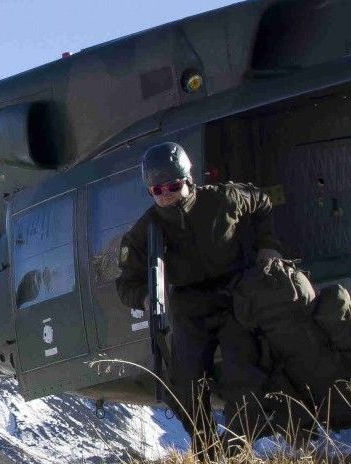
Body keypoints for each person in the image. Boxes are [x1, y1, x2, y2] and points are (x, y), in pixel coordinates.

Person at [114, 142, 284, 448]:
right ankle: (205, 445)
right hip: (188, 305)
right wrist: (146, 298)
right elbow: (126, 284)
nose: (165, 195)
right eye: (157, 190)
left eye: (172, 186)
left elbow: (261, 202)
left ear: (188, 180)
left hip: (234, 295)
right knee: (184, 384)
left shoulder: (223, 199)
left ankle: (236, 446)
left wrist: (267, 247)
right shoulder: (145, 231)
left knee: (243, 372)